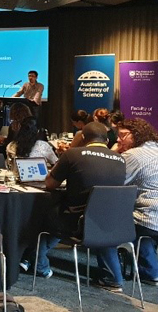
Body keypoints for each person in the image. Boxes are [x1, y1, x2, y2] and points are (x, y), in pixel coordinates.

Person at [31, 122, 126, 291]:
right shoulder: (120, 159)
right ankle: (113, 279)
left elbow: (50, 184)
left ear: (82, 137)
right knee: (63, 217)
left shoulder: (72, 154)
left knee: (43, 216)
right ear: (106, 139)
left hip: (77, 223)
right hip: (110, 223)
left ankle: (38, 264)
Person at [115, 119, 158, 284]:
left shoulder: (133, 155)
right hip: (154, 216)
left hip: (147, 217)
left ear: (137, 135)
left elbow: (113, 182)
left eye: (123, 135)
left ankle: (111, 274)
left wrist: (116, 152)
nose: (118, 140)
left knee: (105, 218)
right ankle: (149, 268)